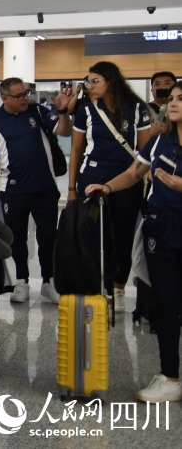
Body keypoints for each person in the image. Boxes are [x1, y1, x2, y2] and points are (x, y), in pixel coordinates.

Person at [84, 79, 182, 403]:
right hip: (161, 229)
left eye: (181, 98)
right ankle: (170, 377)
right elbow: (134, 172)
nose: (173, 102)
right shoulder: (160, 141)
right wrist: (107, 187)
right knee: (166, 304)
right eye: (173, 98)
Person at [0, 77, 74, 304]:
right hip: (13, 190)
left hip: (45, 188)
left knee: (48, 235)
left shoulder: (37, 111)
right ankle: (21, 281)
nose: (25, 98)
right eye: (19, 96)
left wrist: (63, 111)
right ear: (4, 97)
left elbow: (65, 131)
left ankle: (49, 282)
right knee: (16, 238)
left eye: (27, 93)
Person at [68, 61, 151, 313]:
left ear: (111, 81)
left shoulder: (136, 108)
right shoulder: (85, 109)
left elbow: (144, 152)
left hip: (128, 181)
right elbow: (76, 149)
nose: (89, 86)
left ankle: (118, 286)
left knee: (123, 235)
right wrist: (72, 188)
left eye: (96, 81)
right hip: (92, 179)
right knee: (95, 236)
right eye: (88, 81)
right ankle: (100, 288)